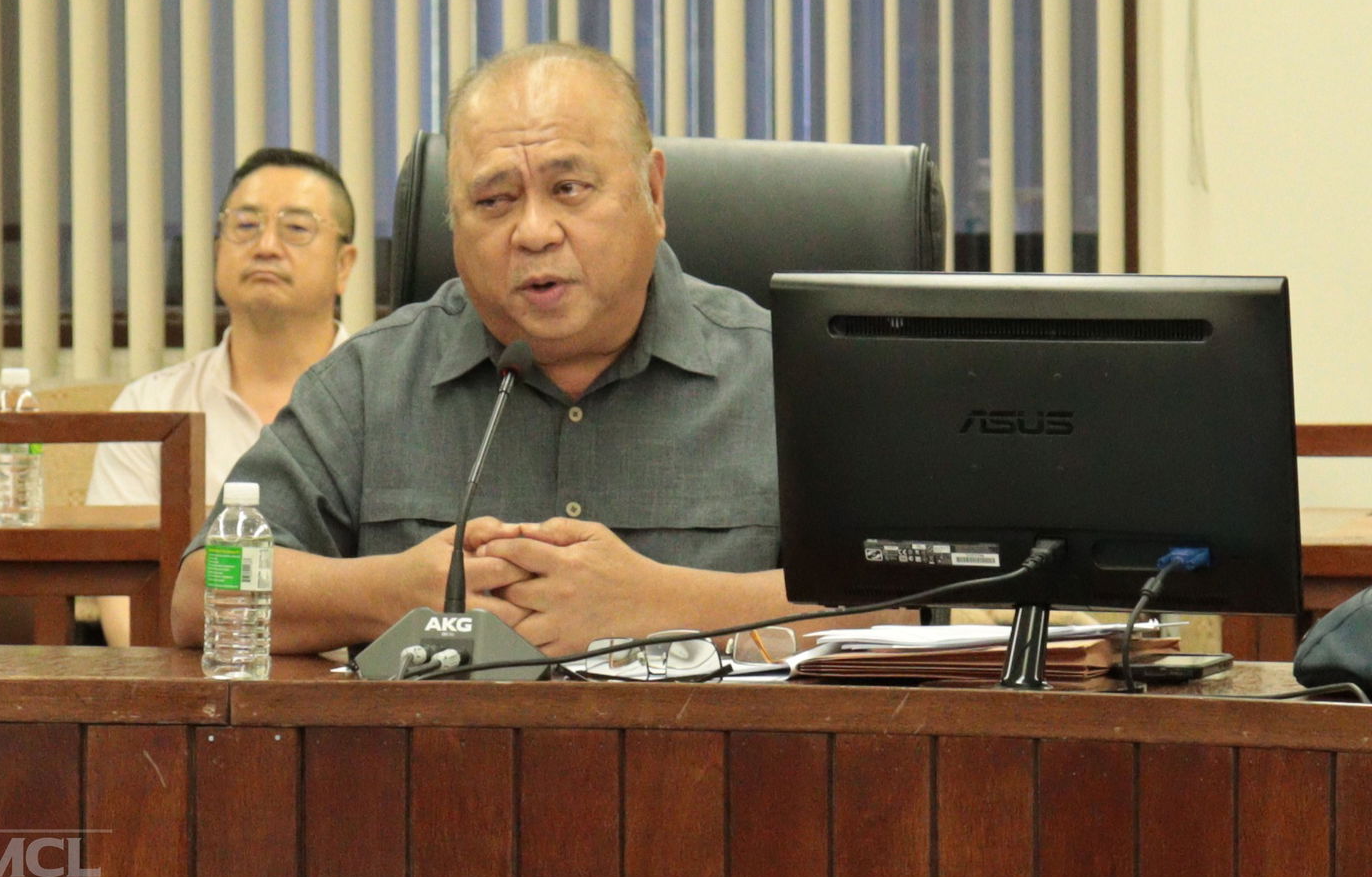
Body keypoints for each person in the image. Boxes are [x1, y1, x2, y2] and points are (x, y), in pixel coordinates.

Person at [170, 42, 895, 658]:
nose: (534, 232)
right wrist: (390, 591)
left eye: (569, 187)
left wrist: (659, 605)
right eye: (494, 202)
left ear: (652, 192)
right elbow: (203, 588)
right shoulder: (372, 380)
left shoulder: (783, 377)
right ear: (452, 225)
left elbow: (901, 607)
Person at [89, 147, 357, 645]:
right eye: (246, 225)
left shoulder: (387, 403)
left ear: (345, 265)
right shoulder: (149, 409)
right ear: (217, 251)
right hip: (186, 703)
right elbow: (128, 613)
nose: (267, 246)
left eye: (297, 228)